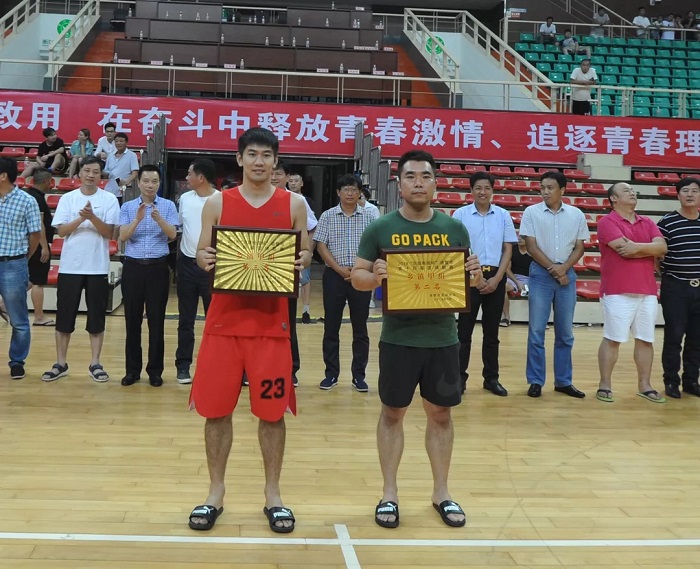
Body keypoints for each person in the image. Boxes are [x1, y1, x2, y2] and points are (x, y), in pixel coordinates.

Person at [351, 149, 484, 530]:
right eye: (411, 176)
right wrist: (376, 277)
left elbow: (467, 281)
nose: (419, 183)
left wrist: (475, 275)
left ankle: (441, 492)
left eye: (425, 176)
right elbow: (357, 278)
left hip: (442, 338)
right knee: (393, 413)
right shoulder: (380, 228)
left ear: (436, 182)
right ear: (400, 184)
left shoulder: (454, 229)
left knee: (441, 415)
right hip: (398, 339)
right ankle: (389, 493)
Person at [188, 127, 311, 534]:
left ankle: (273, 494)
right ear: (239, 159)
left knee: (272, 414)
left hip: (272, 329)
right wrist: (205, 257)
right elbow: (201, 252)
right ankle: (215, 491)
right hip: (223, 326)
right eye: (252, 154)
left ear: (276, 161)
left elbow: (304, 251)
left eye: (267, 155)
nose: (260, 161)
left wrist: (303, 258)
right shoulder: (217, 203)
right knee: (215, 411)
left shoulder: (294, 203)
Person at [41, 156, 120, 383]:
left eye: (95, 171)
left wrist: (92, 217)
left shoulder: (109, 199)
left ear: (100, 175)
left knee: (96, 318)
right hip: (70, 267)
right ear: (79, 173)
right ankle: (60, 363)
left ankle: (95, 363)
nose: (91, 175)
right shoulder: (68, 198)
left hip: (97, 267)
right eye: (87, 170)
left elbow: (109, 234)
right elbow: (62, 231)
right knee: (64, 317)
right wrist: (81, 218)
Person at [519, 171, 589, 399]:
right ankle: (535, 380)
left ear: (563, 190)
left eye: (550, 187)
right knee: (536, 331)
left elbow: (580, 247)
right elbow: (531, 246)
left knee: (565, 333)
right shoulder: (531, 212)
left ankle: (563, 381)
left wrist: (564, 268)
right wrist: (554, 269)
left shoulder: (576, 214)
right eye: (542, 188)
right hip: (541, 274)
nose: (545, 192)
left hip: (567, 273)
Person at [596, 183, 667, 404]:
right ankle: (605, 385)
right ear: (613, 198)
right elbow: (623, 250)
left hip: (647, 290)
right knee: (613, 339)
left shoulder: (647, 222)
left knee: (646, 340)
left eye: (633, 191)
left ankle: (645, 386)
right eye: (626, 190)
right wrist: (647, 248)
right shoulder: (607, 222)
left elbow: (662, 248)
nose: (632, 193)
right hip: (617, 290)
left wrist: (636, 247)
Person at [452, 171, 517, 397]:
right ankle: (459, 379)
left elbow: (508, 249)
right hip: (469, 278)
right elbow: (456, 249)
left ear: (492, 190)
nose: (483, 192)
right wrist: (476, 279)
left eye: (487, 188)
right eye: (478, 188)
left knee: (492, 334)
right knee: (463, 333)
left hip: (496, 277)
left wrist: (498, 279)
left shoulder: (503, 215)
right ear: (471, 190)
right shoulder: (460, 215)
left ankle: (491, 379)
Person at [314, 174, 378, 392]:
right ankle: (331, 374)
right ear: (338, 193)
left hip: (362, 275)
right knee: (331, 326)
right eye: (346, 189)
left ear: (360, 193)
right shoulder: (328, 215)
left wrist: (362, 270)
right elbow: (321, 246)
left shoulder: (369, 217)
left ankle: (359, 376)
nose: (350, 193)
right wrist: (339, 269)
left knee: (360, 328)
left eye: (354, 189)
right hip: (334, 275)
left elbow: (375, 247)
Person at [119, 164, 179, 388]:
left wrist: (159, 219)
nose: (150, 185)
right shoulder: (128, 207)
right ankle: (132, 371)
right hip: (133, 268)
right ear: (138, 183)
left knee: (157, 321)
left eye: (154, 181)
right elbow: (123, 237)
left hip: (157, 269)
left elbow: (172, 235)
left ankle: (155, 371)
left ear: (159, 183)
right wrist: (137, 219)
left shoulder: (168, 205)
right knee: (132, 321)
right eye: (146, 181)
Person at [270, 161, 317, 386]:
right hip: (255, 270)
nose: (273, 177)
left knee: (287, 320)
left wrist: (306, 253)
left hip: (285, 270)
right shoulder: (254, 197)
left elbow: (311, 227)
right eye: (271, 173)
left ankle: (291, 368)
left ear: (287, 177)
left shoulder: (296, 201)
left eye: (278, 173)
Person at [175, 159, 219, 384]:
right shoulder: (184, 198)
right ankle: (183, 366)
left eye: (189, 174)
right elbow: (182, 228)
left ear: (201, 178)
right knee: (186, 320)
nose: (186, 178)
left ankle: (216, 366)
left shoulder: (221, 199)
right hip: (187, 264)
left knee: (216, 320)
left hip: (213, 266)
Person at [658, 178, 700, 399]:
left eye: (695, 191)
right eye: (685, 190)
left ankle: (691, 381)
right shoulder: (667, 222)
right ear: (678, 195)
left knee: (697, 338)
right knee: (674, 337)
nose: (690, 194)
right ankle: (671, 381)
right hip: (675, 288)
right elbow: (657, 256)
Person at [0, 157, 41, 380]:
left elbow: (35, 235)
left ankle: (17, 361)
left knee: (18, 319)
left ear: (3, 176)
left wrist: (23, 259)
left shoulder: (26, 201)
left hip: (13, 263)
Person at [24, 168, 55, 326]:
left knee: (31, 279)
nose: (51, 184)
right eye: (50, 181)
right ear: (45, 181)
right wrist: (44, 247)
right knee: (38, 281)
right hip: (37, 244)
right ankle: (39, 317)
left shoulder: (28, 195)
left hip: (29, 243)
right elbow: (39, 225)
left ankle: (3, 303)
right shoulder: (37, 199)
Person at [287, 171, 316, 323]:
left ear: (302, 183)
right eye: (291, 181)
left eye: (296, 180)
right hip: (284, 251)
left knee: (305, 279)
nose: (293, 183)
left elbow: (313, 226)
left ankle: (306, 310)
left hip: (301, 249)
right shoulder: (284, 198)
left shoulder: (306, 201)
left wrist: (308, 249)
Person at [502, 233, 532, 327]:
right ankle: (506, 317)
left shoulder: (533, 250)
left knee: (540, 289)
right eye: (518, 236)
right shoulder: (513, 249)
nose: (519, 238)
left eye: (522, 237)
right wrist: (517, 282)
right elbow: (507, 269)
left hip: (530, 278)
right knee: (502, 287)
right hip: (513, 278)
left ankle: (539, 320)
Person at [103, 133, 139, 201]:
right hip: (109, 190)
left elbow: (135, 173)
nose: (118, 143)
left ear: (126, 142)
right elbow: (106, 171)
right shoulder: (110, 155)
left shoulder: (132, 155)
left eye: (121, 141)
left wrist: (127, 181)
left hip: (123, 191)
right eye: (116, 141)